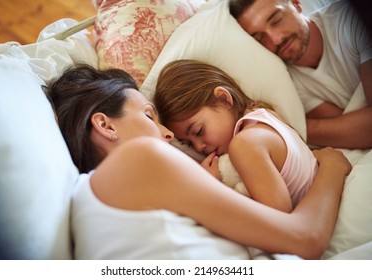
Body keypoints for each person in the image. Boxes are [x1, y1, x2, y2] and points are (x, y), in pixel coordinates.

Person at [45, 64, 351, 260]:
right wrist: (333, 166)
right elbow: (306, 239)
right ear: (106, 125)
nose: (169, 136)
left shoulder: (93, 196)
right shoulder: (139, 158)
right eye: (149, 116)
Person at [155, 59, 319, 212]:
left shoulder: (245, 144)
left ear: (224, 100)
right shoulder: (263, 114)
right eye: (188, 144)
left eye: (199, 131)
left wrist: (212, 187)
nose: (199, 147)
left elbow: (279, 219)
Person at [229, 0, 372, 149]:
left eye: (277, 21)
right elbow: (353, 132)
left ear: (296, 4)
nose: (276, 39)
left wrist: (293, 127)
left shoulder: (351, 20)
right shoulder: (285, 84)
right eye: (260, 38)